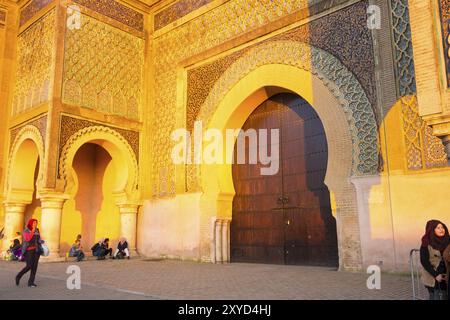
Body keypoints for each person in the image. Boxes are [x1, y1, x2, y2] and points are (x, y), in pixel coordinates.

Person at [420, 220, 450, 300]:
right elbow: (424, 261)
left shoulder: (448, 240)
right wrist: (436, 275)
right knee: (435, 296)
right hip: (432, 276)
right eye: (438, 228)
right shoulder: (426, 242)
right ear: (432, 230)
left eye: (442, 227)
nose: (441, 229)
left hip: (446, 276)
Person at [15, 219, 43, 288]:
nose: (35, 224)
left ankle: (31, 283)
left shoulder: (37, 230)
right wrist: (33, 231)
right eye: (34, 223)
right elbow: (28, 239)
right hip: (29, 251)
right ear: (30, 223)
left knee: (34, 267)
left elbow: (38, 239)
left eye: (36, 223)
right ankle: (18, 276)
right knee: (29, 266)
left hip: (36, 251)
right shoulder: (26, 230)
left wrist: (41, 242)